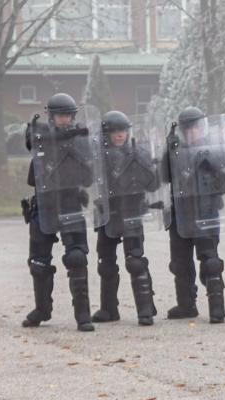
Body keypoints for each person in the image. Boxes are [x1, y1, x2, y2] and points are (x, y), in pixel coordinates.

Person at [21, 93, 103, 332]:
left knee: (77, 258)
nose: (64, 120)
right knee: (38, 263)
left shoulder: (81, 139)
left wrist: (75, 145)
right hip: (44, 203)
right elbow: (30, 139)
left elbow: (89, 178)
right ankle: (42, 310)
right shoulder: (40, 136)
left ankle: (83, 314)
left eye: (68, 115)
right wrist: (38, 130)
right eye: (59, 116)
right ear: (51, 116)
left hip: (71, 202)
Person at [163, 107, 225, 324]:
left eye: (196, 128)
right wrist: (168, 150)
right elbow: (162, 178)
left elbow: (224, 184)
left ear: (203, 128)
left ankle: (217, 308)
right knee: (180, 263)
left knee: (210, 261)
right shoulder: (175, 150)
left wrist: (214, 167)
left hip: (205, 212)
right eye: (188, 129)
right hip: (180, 214)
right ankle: (186, 305)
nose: (193, 133)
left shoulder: (214, 150)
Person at [93, 111, 160, 326]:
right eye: (115, 131)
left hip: (131, 210)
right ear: (107, 134)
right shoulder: (98, 156)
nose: (120, 135)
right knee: (106, 263)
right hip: (108, 213)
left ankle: (145, 309)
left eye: (122, 130)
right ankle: (108, 309)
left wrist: (140, 162)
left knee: (135, 260)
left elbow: (152, 184)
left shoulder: (138, 152)